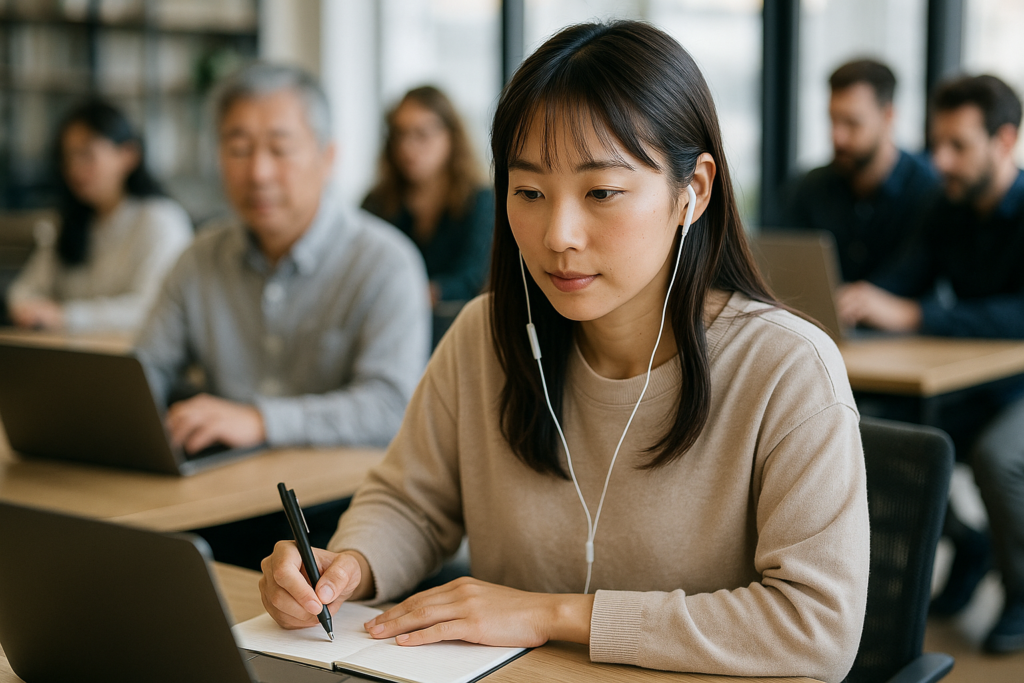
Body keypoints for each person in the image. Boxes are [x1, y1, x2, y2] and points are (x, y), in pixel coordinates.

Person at [260, 22, 869, 683]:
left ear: (692, 190)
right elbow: (410, 502)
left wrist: (550, 615)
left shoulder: (787, 368)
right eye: (529, 193)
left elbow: (816, 627)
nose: (558, 234)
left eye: (601, 192)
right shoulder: (485, 335)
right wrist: (347, 564)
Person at [134, 63, 431, 567]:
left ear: (327, 156)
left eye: (279, 147)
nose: (259, 172)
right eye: (239, 148)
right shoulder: (197, 258)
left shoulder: (384, 261)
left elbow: (388, 407)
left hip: (342, 513)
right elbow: (144, 371)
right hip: (217, 501)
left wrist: (259, 420)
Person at [838, 74, 1024, 654]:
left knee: (998, 459)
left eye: (958, 147)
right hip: (970, 386)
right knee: (878, 437)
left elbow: (1015, 314)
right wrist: (861, 297)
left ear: (1005, 142)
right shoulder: (946, 207)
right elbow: (902, 282)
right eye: (936, 143)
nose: (940, 161)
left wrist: (916, 314)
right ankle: (969, 546)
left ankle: (1021, 588)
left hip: (1016, 388)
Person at [7, 100, 192, 333]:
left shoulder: (160, 220)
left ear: (128, 155)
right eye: (67, 157)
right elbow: (24, 290)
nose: (74, 168)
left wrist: (66, 316)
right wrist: (28, 308)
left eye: (86, 154)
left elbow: (153, 309)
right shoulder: (70, 222)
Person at [785, 59, 938, 282]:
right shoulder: (808, 188)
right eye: (833, 120)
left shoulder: (929, 191)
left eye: (852, 123)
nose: (837, 136)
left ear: (888, 117)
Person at [362, 86, 493, 343]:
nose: (408, 147)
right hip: (387, 330)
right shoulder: (377, 202)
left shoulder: (480, 201)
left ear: (451, 136)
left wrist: (419, 293)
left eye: (422, 134)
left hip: (457, 332)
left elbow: (474, 276)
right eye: (399, 134)